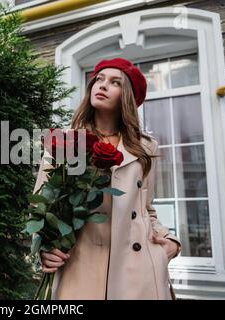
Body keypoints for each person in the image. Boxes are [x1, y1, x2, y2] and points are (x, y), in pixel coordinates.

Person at [32, 58, 182, 300]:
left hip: (137, 270)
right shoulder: (64, 141)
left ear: (128, 97)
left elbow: (145, 210)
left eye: (115, 82)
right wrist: (44, 249)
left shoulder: (145, 147)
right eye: (99, 80)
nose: (102, 86)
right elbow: (40, 205)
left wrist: (171, 242)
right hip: (79, 265)